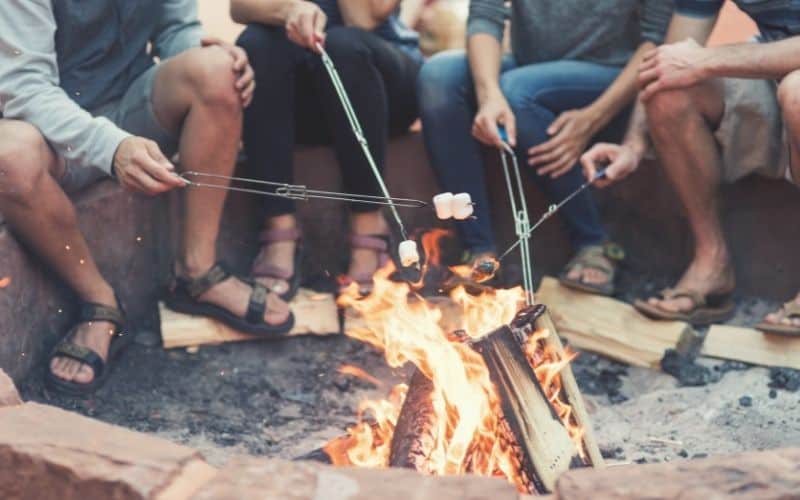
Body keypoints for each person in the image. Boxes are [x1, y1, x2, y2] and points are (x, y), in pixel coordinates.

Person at [0, 0, 294, 396]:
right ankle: (99, 301)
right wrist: (111, 148)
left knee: (217, 70)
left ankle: (198, 272)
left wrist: (209, 54)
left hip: (132, 105)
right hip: (51, 134)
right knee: (8, 154)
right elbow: (25, 88)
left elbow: (176, 30)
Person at [417, 1, 675, 296]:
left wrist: (594, 117)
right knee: (438, 77)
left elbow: (657, 39)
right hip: (528, 70)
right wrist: (488, 94)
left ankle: (594, 242)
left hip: (613, 77)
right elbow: (485, 15)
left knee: (517, 92)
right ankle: (479, 250)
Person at [581, 0, 800, 332]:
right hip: (775, 64)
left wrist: (706, 60)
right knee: (670, 91)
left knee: (797, 93)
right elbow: (669, 59)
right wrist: (634, 143)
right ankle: (712, 262)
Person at [231, 0, 423, 298]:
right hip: (307, 97)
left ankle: (368, 224)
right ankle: (280, 228)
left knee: (343, 44)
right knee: (256, 40)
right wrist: (289, 11)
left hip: (381, 84)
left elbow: (362, 19)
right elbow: (239, 7)